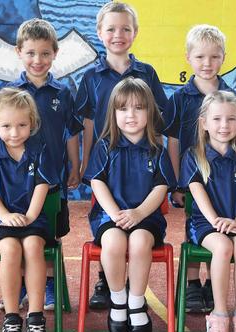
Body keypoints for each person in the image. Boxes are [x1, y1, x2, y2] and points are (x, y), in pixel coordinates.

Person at [76, 1, 168, 309]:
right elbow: (88, 123)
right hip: (105, 164)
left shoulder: (147, 73)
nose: (118, 34)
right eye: (111, 29)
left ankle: (134, 288)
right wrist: (86, 160)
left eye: (125, 28)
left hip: (140, 164)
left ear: (135, 33)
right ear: (100, 33)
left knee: (138, 229)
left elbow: (158, 117)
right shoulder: (91, 78)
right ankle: (107, 281)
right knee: (109, 221)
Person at [82, 78, 176, 332]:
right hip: (110, 215)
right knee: (112, 242)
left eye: (138, 108)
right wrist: (114, 214)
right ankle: (118, 300)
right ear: (114, 113)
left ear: (150, 112)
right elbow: (97, 182)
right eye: (123, 109)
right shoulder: (105, 146)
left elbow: (161, 189)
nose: (131, 115)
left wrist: (138, 214)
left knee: (139, 242)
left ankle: (136, 302)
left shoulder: (157, 150)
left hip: (146, 217)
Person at [0, 88, 57, 332]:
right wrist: (6, 216)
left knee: (32, 246)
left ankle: (36, 318)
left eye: (21, 125)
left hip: (33, 219)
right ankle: (11, 319)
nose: (14, 132)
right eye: (6, 126)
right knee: (10, 248)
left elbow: (43, 186)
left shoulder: (40, 150)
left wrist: (30, 216)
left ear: (32, 123)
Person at [9, 18, 83, 311]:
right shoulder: (11, 93)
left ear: (55, 53)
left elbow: (72, 133)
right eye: (30, 53)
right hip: (18, 181)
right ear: (19, 52)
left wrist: (75, 167)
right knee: (20, 231)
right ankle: (24, 287)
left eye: (44, 53)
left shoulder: (63, 93)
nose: (37, 60)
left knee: (47, 235)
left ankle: (49, 287)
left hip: (52, 179)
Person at [163, 24, 236, 314]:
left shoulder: (231, 96)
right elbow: (171, 140)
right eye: (200, 57)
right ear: (188, 58)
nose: (207, 64)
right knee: (194, 225)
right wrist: (176, 182)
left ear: (223, 58)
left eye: (214, 57)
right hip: (191, 177)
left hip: (222, 177)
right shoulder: (180, 99)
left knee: (218, 221)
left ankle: (210, 284)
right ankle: (193, 282)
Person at [180, 90, 236, 332]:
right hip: (207, 225)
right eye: (217, 119)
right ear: (204, 123)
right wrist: (217, 221)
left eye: (231, 119)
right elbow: (197, 194)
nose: (224, 126)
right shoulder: (193, 156)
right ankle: (219, 315)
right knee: (224, 247)